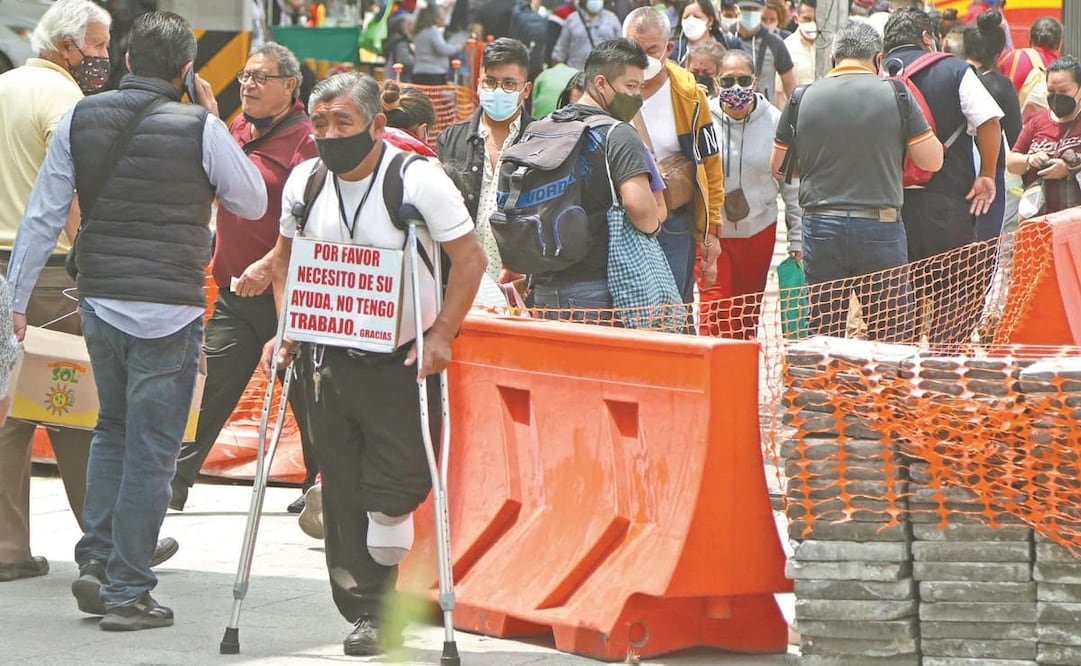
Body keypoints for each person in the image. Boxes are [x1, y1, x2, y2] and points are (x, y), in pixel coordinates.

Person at [8, 11, 266, 629]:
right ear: (185, 71)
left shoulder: (79, 115)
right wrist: (209, 114)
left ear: (125, 61)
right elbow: (251, 198)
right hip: (170, 311)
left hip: (99, 301)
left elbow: (44, 214)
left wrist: (15, 300)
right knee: (152, 448)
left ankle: (97, 562)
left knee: (111, 431)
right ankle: (127, 590)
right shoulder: (199, 126)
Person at [263, 71, 485, 655]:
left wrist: (442, 333)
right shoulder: (305, 183)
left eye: (344, 123)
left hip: (399, 363)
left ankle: (387, 558)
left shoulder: (418, 181)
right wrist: (286, 326)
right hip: (325, 358)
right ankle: (368, 612)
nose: (330, 135)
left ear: (377, 126)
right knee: (340, 486)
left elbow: (470, 260)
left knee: (395, 487)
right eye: (321, 123)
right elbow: (286, 260)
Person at [0, 0, 174, 583]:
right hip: (52, 275)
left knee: (9, 417)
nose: (102, 58)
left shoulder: (5, 87)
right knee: (75, 408)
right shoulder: (66, 101)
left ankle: (8, 546)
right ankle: (110, 542)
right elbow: (68, 195)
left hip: (7, 272)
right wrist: (95, 257)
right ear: (68, 47)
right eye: (97, 48)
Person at [170, 43, 319, 514]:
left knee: (308, 396)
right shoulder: (238, 127)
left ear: (289, 86)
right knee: (210, 389)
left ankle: (320, 486)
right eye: (245, 76)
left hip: (286, 298)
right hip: (235, 295)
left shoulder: (308, 141)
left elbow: (308, 219)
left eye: (261, 78)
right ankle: (171, 483)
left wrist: (271, 263)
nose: (249, 85)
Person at [770, 20, 942, 343]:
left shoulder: (801, 97)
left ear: (834, 60)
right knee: (890, 335)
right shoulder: (897, 94)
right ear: (878, 59)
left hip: (820, 227)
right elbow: (932, 160)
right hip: (880, 228)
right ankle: (884, 393)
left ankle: (823, 391)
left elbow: (779, 168)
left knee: (823, 333)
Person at [882, 7, 1004, 347]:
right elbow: (989, 122)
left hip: (890, 211)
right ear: (926, 38)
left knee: (895, 307)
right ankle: (941, 372)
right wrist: (987, 175)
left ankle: (897, 382)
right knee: (957, 291)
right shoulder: (953, 69)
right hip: (949, 205)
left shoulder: (873, 76)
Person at [528, 38, 660, 320]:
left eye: (640, 87)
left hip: (541, 288)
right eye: (630, 87)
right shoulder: (618, 134)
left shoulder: (541, 128)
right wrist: (655, 221)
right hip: (596, 289)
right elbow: (640, 209)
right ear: (600, 83)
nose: (637, 96)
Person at [623, 7, 723, 305]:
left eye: (651, 49)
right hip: (620, 220)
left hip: (674, 221)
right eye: (633, 48)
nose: (641, 58)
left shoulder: (688, 94)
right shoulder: (607, 87)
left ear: (669, 47)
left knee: (675, 307)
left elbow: (710, 165)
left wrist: (711, 232)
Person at [701, 49, 799, 339]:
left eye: (743, 80)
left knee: (746, 313)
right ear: (716, 83)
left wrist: (797, 237)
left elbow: (790, 183)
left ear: (755, 81)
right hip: (712, 232)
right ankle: (714, 381)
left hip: (759, 229)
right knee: (714, 311)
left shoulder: (776, 120)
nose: (736, 88)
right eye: (728, 81)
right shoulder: (701, 117)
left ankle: (739, 379)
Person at [437, 38, 535, 286]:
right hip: (458, 283)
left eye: (509, 84)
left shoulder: (540, 140)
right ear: (479, 85)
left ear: (526, 89)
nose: (498, 90)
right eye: (491, 82)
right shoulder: (451, 139)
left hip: (515, 285)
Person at [964, 10, 1021, 243]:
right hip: (990, 176)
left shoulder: (953, 79)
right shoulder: (1001, 86)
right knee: (984, 254)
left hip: (953, 173)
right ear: (999, 50)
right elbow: (1017, 138)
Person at [1007, 56, 1081, 216]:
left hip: (1074, 221)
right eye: (1051, 91)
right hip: (1039, 223)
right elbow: (1012, 162)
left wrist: (1069, 168)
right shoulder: (1037, 122)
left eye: (1064, 91)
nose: (1056, 97)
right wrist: (1029, 160)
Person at [726, 0, 794, 106]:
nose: (750, 13)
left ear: (762, 10)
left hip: (763, 112)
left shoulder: (775, 43)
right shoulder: (726, 38)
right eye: (746, 9)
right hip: (728, 109)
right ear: (736, 9)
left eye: (755, 10)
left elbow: (790, 86)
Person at [998, 16, 1062, 120]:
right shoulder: (1065, 71)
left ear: (1030, 39)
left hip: (1016, 129)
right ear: (1060, 44)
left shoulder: (1015, 57)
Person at [550, 0, 622, 70]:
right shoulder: (572, 19)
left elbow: (621, 50)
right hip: (575, 74)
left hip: (603, 75)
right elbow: (560, 52)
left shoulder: (612, 19)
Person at [412, 5, 469, 85]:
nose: (443, 18)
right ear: (434, 17)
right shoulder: (433, 31)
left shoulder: (418, 33)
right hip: (434, 73)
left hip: (418, 72)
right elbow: (442, 49)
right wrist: (460, 46)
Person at [672, 0, 738, 68]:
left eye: (697, 16)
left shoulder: (730, 43)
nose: (690, 21)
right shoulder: (673, 50)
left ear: (710, 21)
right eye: (686, 17)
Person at [782, 0, 818, 86]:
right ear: (796, 19)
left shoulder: (831, 45)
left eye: (816, 20)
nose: (812, 23)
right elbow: (780, 91)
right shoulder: (786, 47)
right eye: (807, 19)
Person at [382, 13, 416, 82]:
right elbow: (405, 63)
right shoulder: (400, 43)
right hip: (398, 81)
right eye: (410, 24)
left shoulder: (395, 40)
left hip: (392, 79)